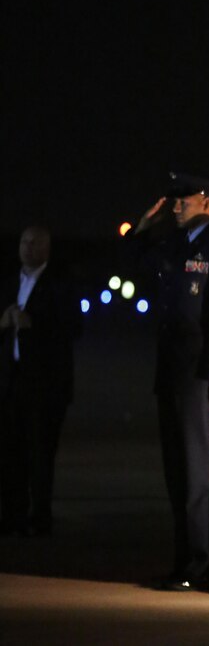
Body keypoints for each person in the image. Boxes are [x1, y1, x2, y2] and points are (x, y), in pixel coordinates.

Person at [133, 172, 209, 591]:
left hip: (200, 376)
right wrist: (143, 228)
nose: (176, 204)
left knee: (199, 474)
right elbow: (136, 264)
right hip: (172, 372)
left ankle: (201, 565)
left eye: (184, 198)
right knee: (177, 473)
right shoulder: (174, 244)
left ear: (208, 202)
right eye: (175, 198)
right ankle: (183, 561)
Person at [0, 225, 80, 536]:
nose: (28, 247)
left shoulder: (61, 285)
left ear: (47, 248)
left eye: (35, 242)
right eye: (24, 241)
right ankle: (13, 514)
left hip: (46, 386)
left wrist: (35, 323)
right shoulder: (9, 283)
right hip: (11, 382)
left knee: (41, 454)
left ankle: (40, 517)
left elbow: (74, 328)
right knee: (10, 453)